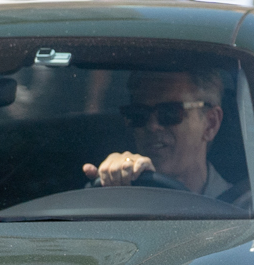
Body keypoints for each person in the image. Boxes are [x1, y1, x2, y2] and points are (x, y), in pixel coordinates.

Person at [82, 66, 243, 203]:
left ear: (210, 124)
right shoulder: (116, 201)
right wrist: (112, 184)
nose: (152, 126)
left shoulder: (245, 209)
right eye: (139, 114)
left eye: (170, 113)